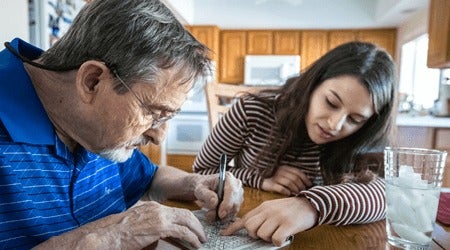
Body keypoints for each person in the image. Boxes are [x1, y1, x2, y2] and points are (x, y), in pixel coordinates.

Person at [0, 0, 244, 249]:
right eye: (153, 113)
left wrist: (193, 184)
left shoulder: (92, 127)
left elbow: (150, 178)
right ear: (92, 81)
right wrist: (109, 237)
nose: (159, 136)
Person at [193, 41, 396, 246]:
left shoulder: (361, 139)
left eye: (355, 119)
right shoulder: (252, 110)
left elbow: (388, 193)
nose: (334, 125)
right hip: (251, 229)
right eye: (331, 103)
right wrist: (263, 179)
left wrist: (310, 206)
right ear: (313, 83)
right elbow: (202, 170)